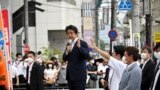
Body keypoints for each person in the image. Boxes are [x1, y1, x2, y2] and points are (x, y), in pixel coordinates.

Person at [63, 25, 89, 90]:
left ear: (76, 33)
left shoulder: (83, 43)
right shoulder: (68, 44)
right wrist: (67, 52)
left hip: (79, 75)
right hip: (70, 75)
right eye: (68, 33)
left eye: (71, 33)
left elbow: (86, 55)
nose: (69, 35)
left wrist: (79, 47)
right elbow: (64, 58)